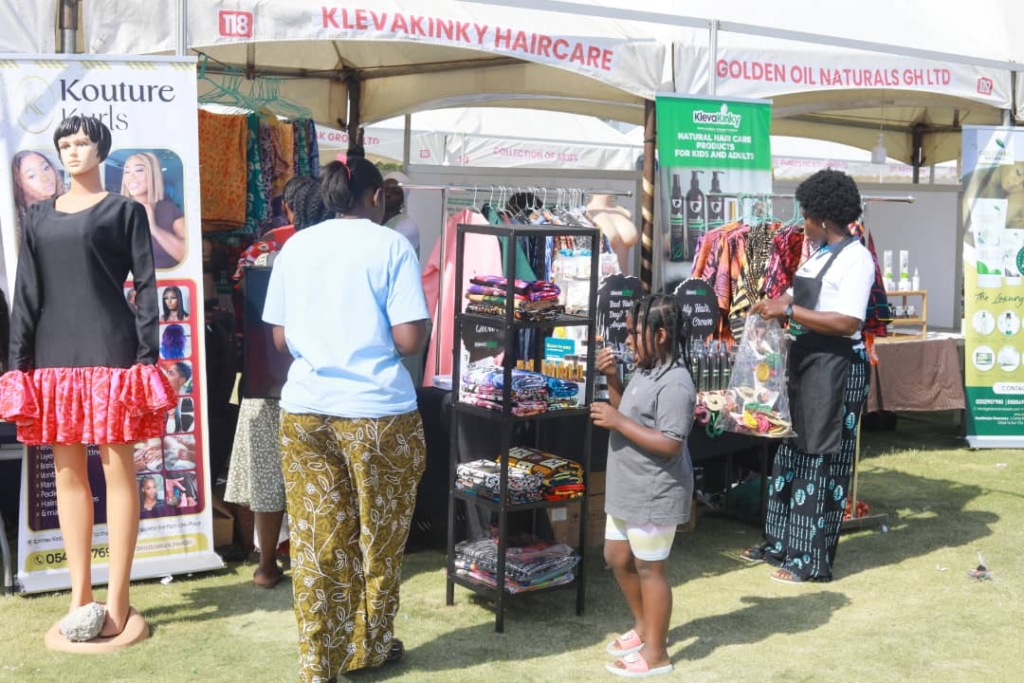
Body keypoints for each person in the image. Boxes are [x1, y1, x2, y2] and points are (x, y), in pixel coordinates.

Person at [0, 116, 175, 642]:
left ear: (102, 149)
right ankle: (80, 595)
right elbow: (26, 293)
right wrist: (18, 365)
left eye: (81, 142)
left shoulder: (123, 211)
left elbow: (147, 286)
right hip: (53, 359)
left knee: (119, 472)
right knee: (68, 475)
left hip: (112, 355)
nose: (72, 151)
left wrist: (146, 358)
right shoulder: (37, 218)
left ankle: (117, 598)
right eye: (65, 144)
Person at [263, 158, 429, 679]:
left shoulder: (296, 247)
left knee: (317, 541)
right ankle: (368, 646)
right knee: (379, 540)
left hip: (306, 411)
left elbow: (280, 338)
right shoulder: (391, 246)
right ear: (376, 196)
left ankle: (319, 659)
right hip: (378, 414)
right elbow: (409, 338)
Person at [744, 169, 875, 584]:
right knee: (791, 454)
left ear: (821, 217)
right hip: (806, 363)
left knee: (821, 460)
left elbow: (848, 321)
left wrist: (788, 310)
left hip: (835, 367)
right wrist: (772, 306)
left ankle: (810, 560)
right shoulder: (818, 253)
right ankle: (781, 545)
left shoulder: (857, 259)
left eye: (805, 216)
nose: (802, 224)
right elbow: (797, 295)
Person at [225, 174, 329, 590]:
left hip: (265, 377)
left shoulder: (265, 248)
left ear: (288, 208)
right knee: (321, 479)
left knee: (269, 478)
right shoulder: (338, 251)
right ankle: (316, 562)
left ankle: (266, 565)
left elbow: (242, 299)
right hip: (323, 382)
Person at [590, 294, 696, 679]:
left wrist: (616, 421)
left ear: (661, 335)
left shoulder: (676, 383)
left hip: (655, 490)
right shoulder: (646, 368)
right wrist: (612, 379)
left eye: (636, 332)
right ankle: (644, 626)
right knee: (617, 556)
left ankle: (657, 654)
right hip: (628, 486)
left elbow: (670, 443)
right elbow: (630, 413)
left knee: (650, 569)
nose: (628, 340)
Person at [120, 151, 186, 269]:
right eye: (126, 172)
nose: (131, 177)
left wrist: (154, 229)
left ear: (153, 175)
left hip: (169, 279)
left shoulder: (170, 210)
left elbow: (186, 256)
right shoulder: (115, 211)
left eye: (139, 170)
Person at [11, 150, 66, 245]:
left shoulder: (67, 205)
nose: (45, 178)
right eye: (32, 176)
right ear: (18, 184)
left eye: (46, 168)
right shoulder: (19, 224)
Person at [383, 171, 420, 258]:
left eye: (396, 192)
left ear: (403, 200)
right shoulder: (372, 219)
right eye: (385, 189)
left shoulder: (407, 227)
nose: (388, 194)